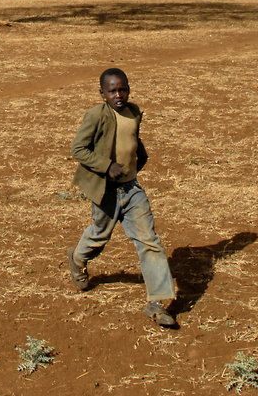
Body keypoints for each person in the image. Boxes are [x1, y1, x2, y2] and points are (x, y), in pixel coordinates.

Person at [67, 68, 177, 327]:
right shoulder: (96, 116)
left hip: (132, 190)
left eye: (122, 89)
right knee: (99, 234)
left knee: (149, 241)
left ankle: (157, 303)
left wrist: (138, 161)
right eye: (112, 90)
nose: (119, 94)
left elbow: (132, 138)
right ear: (102, 94)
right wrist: (107, 166)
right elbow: (78, 149)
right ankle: (78, 257)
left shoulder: (134, 111)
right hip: (106, 190)